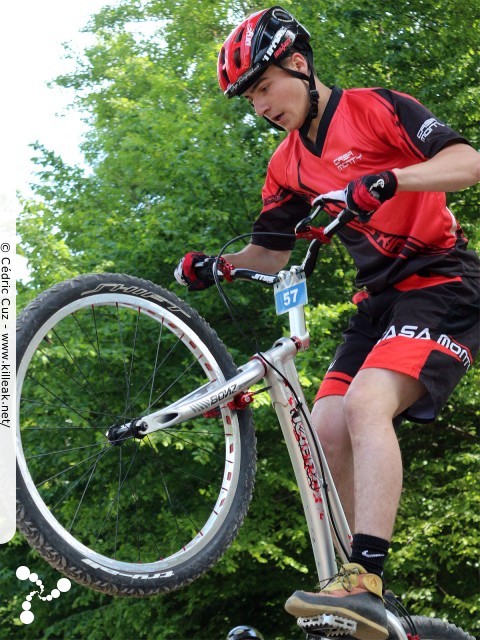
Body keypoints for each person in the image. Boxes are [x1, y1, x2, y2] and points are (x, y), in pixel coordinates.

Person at [174, 6, 480, 640]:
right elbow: (271, 252)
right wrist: (218, 266)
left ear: (299, 65)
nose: (259, 105)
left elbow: (469, 163)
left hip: (443, 281)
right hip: (377, 304)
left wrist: (386, 181)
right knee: (325, 426)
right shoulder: (287, 164)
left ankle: (367, 574)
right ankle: (354, 596)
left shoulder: (379, 107)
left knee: (367, 404)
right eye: (248, 97)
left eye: (263, 86)